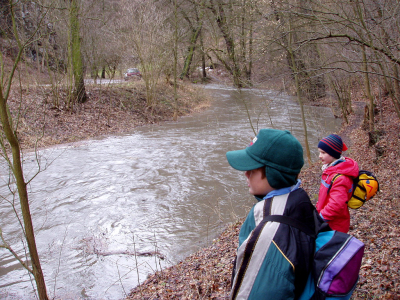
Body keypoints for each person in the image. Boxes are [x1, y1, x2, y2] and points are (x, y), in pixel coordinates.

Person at [226, 128, 315, 300]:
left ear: (274, 175)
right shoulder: (298, 199)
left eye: (251, 169)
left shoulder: (270, 235)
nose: (245, 173)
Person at [316, 134, 359, 233]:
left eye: (323, 152)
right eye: (319, 152)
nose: (320, 156)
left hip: (334, 226)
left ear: (333, 154)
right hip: (326, 221)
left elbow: (336, 205)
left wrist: (320, 218)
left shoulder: (340, 178)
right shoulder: (329, 170)